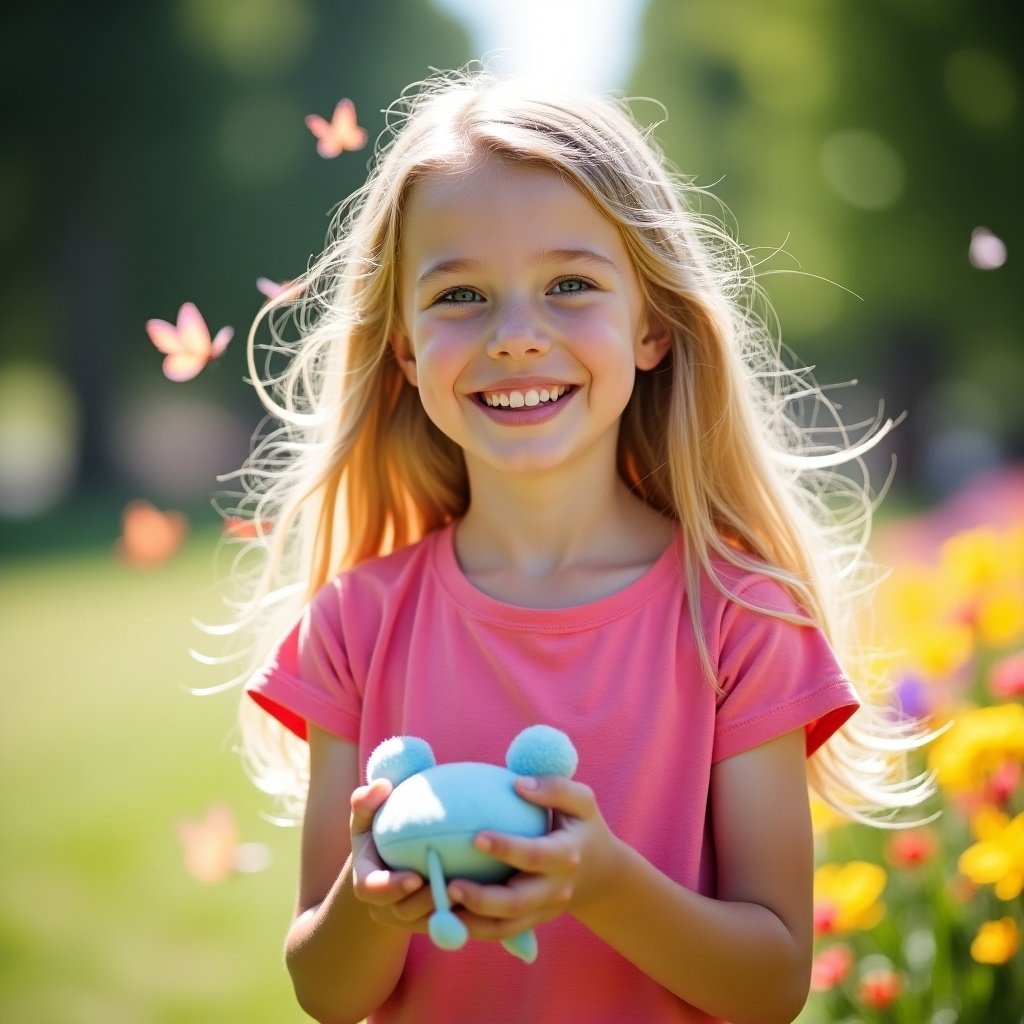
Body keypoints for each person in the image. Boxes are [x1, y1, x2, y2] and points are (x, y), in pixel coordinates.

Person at [222, 66, 933, 1024]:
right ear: (403, 349)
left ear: (651, 325)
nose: (516, 335)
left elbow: (771, 984)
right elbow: (324, 990)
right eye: (460, 296)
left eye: (570, 285)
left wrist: (600, 883)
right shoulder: (355, 623)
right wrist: (370, 899)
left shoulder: (742, 618)